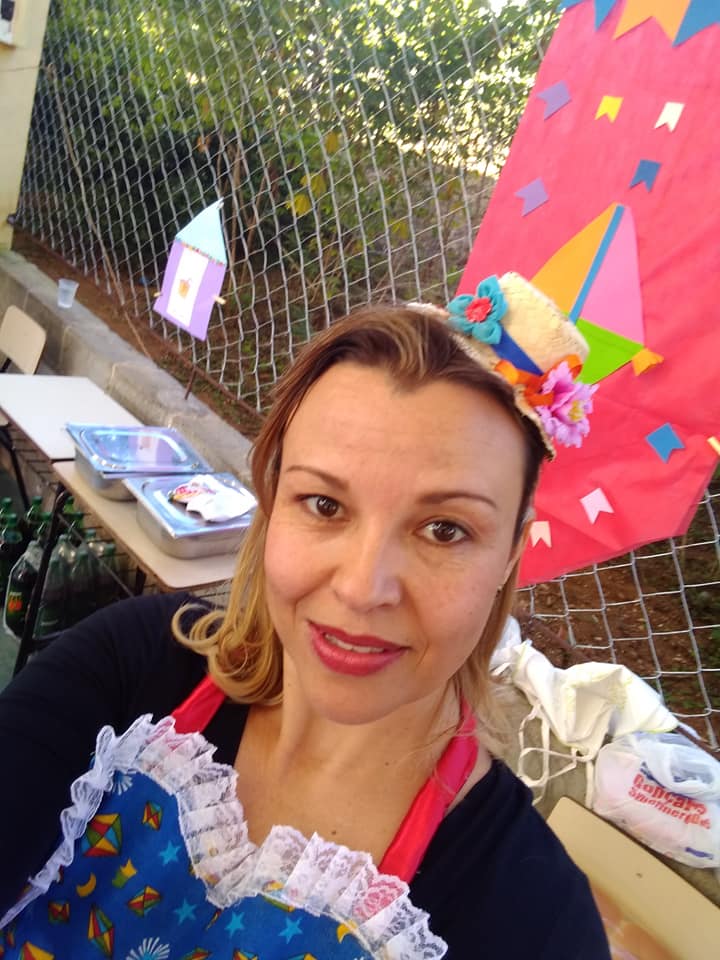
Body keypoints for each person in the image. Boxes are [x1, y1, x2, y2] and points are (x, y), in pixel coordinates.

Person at [0, 273, 609, 958]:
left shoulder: (533, 919)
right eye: (324, 505)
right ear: (272, 502)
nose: (361, 589)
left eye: (445, 530)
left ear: (510, 554)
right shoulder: (131, 667)